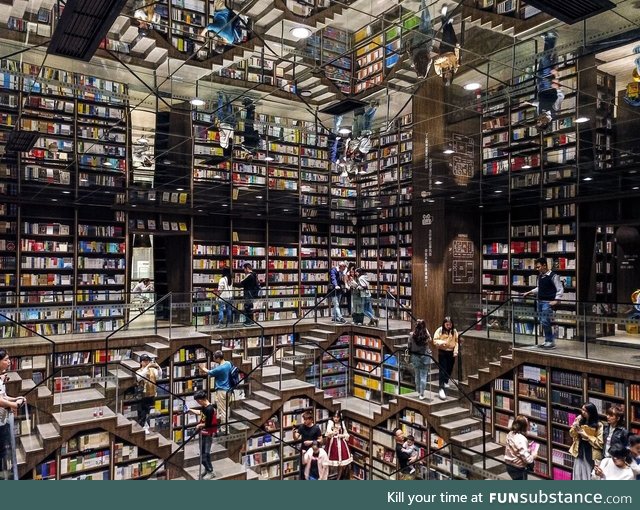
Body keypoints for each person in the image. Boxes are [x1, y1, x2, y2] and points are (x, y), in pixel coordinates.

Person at [522, 257, 563, 349]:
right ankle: (547, 340)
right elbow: (539, 288)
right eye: (536, 267)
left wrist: (556, 300)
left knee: (545, 321)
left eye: (538, 267)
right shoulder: (540, 276)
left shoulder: (553, 276)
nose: (537, 269)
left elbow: (560, 289)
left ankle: (550, 341)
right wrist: (529, 292)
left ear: (545, 265)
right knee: (542, 321)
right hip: (539, 301)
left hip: (547, 302)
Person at [1, 350, 26, 478]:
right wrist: (14, 404)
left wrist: (15, 399)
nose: (9, 362)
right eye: (6, 359)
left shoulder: (1, 377)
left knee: (4, 451)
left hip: (3, 420)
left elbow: (3, 396)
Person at [535, 31, 564, 131]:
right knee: (546, 60)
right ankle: (551, 38)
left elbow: (539, 104)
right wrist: (557, 80)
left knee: (542, 63)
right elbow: (561, 97)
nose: (538, 120)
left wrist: (529, 103)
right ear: (545, 122)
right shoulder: (554, 111)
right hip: (548, 86)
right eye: (539, 122)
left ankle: (547, 40)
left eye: (537, 121)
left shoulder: (540, 113)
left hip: (540, 87)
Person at [198, 350, 232, 434]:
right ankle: (224, 426)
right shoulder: (228, 363)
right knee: (225, 409)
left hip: (221, 391)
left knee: (223, 411)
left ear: (218, 358)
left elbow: (210, 372)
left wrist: (202, 368)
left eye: (214, 358)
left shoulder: (220, 368)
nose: (214, 359)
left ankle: (225, 430)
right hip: (228, 390)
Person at [569, 402, 604, 480]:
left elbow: (600, 443)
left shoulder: (599, 425)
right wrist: (575, 426)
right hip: (579, 449)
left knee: (588, 473)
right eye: (582, 409)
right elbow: (572, 435)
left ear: (591, 412)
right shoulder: (580, 420)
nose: (583, 412)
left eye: (585, 411)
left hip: (591, 453)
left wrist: (587, 436)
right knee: (578, 473)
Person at [189, 390, 218, 480]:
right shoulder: (205, 407)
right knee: (202, 452)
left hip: (208, 433)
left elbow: (209, 424)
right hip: (203, 432)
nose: (197, 402)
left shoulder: (209, 409)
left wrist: (199, 425)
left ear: (201, 400)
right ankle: (207, 469)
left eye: (197, 401)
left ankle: (210, 471)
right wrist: (191, 410)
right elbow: (201, 414)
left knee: (205, 453)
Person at [431, 316, 459, 400]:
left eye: (450, 324)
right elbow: (435, 340)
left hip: (451, 352)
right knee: (442, 370)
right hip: (443, 352)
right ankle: (441, 388)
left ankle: (446, 380)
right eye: (447, 324)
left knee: (450, 368)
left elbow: (457, 342)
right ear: (444, 324)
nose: (448, 326)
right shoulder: (439, 330)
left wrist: (455, 351)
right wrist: (443, 342)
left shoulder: (454, 331)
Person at [407, 0, 434, 79]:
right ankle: (423, 6)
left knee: (426, 21)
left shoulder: (426, 64)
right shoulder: (414, 64)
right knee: (423, 23)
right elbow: (410, 54)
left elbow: (430, 59)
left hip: (425, 43)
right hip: (417, 44)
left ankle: (423, 4)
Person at [504, 415, 538, 480]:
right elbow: (527, 459)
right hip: (517, 468)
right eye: (527, 425)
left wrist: (527, 447)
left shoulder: (510, 433)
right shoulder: (521, 439)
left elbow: (515, 448)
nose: (528, 427)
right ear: (523, 426)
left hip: (509, 465)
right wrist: (533, 455)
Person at [433, 5, 460, 86]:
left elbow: (436, 62)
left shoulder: (439, 72)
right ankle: (448, 22)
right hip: (452, 49)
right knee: (451, 33)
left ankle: (443, 16)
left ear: (444, 76)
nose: (448, 74)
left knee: (446, 34)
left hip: (444, 50)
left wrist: (444, 58)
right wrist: (457, 49)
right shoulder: (454, 69)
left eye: (446, 76)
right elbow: (457, 59)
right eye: (449, 76)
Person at [135, 354, 161, 434]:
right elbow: (139, 377)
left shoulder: (152, 370)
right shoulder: (139, 371)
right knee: (142, 412)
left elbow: (159, 375)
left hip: (151, 393)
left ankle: (146, 426)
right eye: (145, 361)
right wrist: (147, 366)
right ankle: (142, 426)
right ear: (141, 362)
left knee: (148, 411)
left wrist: (158, 367)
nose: (147, 363)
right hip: (142, 395)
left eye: (148, 361)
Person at [293, 410, 322, 479]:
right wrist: (294, 433)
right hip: (304, 451)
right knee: (303, 469)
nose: (304, 421)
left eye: (306, 420)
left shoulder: (316, 428)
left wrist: (311, 442)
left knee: (312, 469)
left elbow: (321, 440)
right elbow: (296, 438)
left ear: (311, 420)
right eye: (304, 419)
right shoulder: (302, 427)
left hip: (313, 451)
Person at [325, 411, 352, 479]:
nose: (336, 418)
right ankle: (328, 476)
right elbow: (328, 432)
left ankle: (338, 478)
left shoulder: (342, 423)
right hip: (332, 443)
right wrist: (333, 432)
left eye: (337, 417)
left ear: (340, 417)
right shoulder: (330, 423)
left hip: (341, 443)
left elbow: (346, 434)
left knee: (342, 462)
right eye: (334, 417)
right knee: (330, 461)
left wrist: (342, 435)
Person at [409, 319, 431, 400]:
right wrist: (426, 330)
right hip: (425, 357)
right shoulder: (426, 336)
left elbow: (409, 346)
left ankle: (418, 390)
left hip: (415, 357)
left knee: (417, 375)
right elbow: (430, 339)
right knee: (423, 376)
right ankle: (422, 394)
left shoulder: (411, 335)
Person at [217, 91, 235, 155]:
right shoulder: (223, 145)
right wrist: (218, 127)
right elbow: (222, 135)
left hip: (230, 126)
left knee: (229, 110)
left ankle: (228, 97)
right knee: (220, 110)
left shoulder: (232, 146)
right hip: (223, 125)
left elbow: (232, 137)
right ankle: (220, 96)